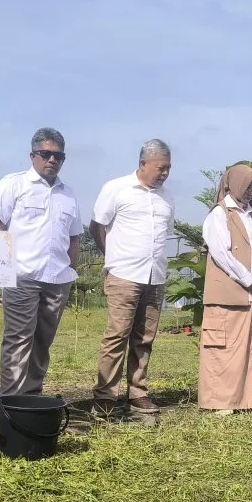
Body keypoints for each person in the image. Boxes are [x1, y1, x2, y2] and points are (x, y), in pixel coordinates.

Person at [0, 128, 82, 397]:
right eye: (46, 154)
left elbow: (74, 238)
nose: (52, 160)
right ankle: (10, 401)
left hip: (58, 280)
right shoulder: (13, 184)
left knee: (42, 342)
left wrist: (71, 267)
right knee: (18, 339)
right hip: (21, 276)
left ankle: (31, 397)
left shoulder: (68, 194)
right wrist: (1, 268)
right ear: (32, 156)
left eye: (58, 156)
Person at [89, 139, 175, 418]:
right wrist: (113, 258)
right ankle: (105, 397)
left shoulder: (167, 198)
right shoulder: (116, 188)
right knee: (117, 336)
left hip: (155, 277)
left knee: (144, 338)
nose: (165, 173)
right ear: (143, 163)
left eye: (168, 168)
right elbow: (96, 226)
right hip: (124, 276)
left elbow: (164, 235)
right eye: (161, 167)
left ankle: (138, 393)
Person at [198, 164, 252, 415]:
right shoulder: (219, 214)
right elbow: (221, 254)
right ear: (234, 184)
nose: (251, 191)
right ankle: (221, 402)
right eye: (247, 186)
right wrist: (249, 280)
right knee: (225, 349)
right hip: (230, 295)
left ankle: (248, 400)